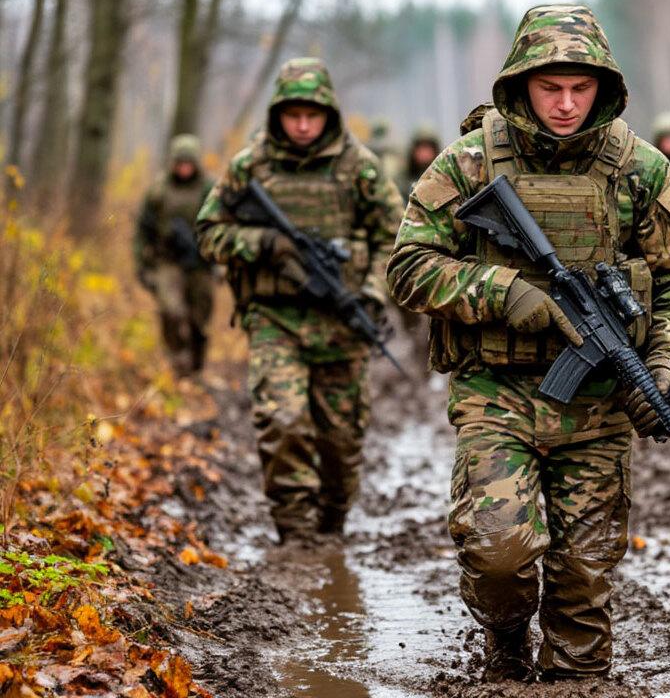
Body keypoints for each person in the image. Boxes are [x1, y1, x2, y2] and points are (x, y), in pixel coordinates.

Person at [387, 4, 670, 682]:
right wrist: (507, 295)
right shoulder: (471, 162)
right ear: (521, 83)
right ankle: (504, 633)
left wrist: (666, 367)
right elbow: (408, 268)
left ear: (603, 87)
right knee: (501, 557)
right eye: (550, 88)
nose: (565, 105)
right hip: (495, 396)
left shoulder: (640, 169)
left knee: (584, 581)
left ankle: (575, 679)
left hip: (598, 410)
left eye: (580, 89)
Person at [196, 57, 402, 542]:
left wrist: (372, 291)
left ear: (329, 112)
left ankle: (330, 522)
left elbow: (397, 237)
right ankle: (294, 533)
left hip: (344, 323)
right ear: (278, 114)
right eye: (294, 115)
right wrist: (262, 245)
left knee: (340, 440)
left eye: (313, 114)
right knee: (283, 421)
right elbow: (208, 233)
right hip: (275, 318)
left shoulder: (359, 168)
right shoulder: (251, 166)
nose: (304, 125)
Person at [135, 133, 215, 377]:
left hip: (201, 262)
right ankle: (178, 361)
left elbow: (223, 224)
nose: (184, 168)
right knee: (170, 310)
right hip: (167, 261)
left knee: (199, 319)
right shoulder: (158, 190)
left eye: (188, 163)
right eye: (180, 163)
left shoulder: (209, 189)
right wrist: (142, 265)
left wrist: (217, 259)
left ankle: (196, 362)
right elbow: (142, 230)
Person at [400, 123, 441, 204]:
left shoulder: (445, 178)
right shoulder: (402, 181)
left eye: (427, 147)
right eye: (421, 147)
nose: (424, 153)